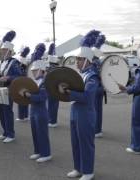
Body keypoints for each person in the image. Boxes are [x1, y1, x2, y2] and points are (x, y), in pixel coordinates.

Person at [58, 33, 99, 180]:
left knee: (86, 143)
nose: (77, 61)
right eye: (76, 59)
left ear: (87, 61)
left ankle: (88, 171)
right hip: (75, 112)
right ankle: (78, 168)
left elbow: (87, 97)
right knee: (75, 142)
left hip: (85, 114)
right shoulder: (81, 74)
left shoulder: (92, 76)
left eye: (79, 59)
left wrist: (69, 91)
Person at [19, 43, 52, 163]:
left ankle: (46, 153)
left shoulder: (44, 82)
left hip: (41, 111)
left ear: (42, 70)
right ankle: (37, 151)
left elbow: (42, 97)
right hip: (33, 110)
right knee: (35, 132)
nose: (33, 72)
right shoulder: (34, 82)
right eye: (32, 70)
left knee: (42, 133)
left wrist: (28, 95)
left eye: (35, 70)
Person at [0, 30, 22, 143]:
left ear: (9, 51)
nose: (1, 51)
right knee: (1, 111)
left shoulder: (14, 62)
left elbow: (19, 76)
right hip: (0, 88)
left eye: (3, 50)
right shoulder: (1, 62)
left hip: (8, 89)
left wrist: (8, 78)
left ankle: (11, 134)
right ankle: (5, 132)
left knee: (7, 111)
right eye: (1, 50)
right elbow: (0, 74)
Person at [91, 31, 106, 138]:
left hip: (95, 88)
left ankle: (96, 130)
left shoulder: (93, 63)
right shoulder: (100, 62)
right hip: (101, 88)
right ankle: (98, 129)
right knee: (99, 110)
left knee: (94, 110)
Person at [46, 43, 60, 128]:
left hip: (51, 88)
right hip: (56, 88)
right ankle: (52, 120)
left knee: (51, 105)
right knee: (53, 105)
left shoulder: (50, 68)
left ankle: (52, 121)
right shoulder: (57, 68)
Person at [16, 46, 31, 122]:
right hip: (27, 81)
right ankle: (26, 115)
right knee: (26, 98)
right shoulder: (28, 60)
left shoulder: (19, 61)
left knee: (21, 98)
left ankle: (21, 116)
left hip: (21, 81)